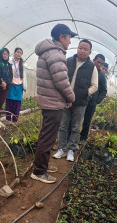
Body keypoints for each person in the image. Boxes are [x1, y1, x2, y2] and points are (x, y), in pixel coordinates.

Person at [31, 24, 76, 184]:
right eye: (69, 38)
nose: (70, 42)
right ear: (61, 37)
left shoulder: (48, 52)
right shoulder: (55, 54)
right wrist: (71, 97)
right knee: (48, 138)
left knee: (47, 136)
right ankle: (39, 171)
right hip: (52, 103)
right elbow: (61, 81)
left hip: (49, 101)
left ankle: (42, 165)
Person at [53, 39, 98, 162]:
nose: (82, 51)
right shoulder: (68, 62)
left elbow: (95, 86)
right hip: (65, 100)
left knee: (75, 127)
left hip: (80, 103)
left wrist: (84, 94)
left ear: (89, 52)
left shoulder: (91, 67)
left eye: (85, 49)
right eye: (80, 48)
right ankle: (62, 148)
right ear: (77, 48)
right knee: (62, 125)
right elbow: (61, 78)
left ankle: (72, 149)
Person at [80, 54, 107, 143]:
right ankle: (71, 136)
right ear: (93, 60)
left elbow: (104, 91)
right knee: (77, 118)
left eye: (101, 63)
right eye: (98, 62)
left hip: (92, 102)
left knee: (87, 120)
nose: (99, 64)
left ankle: (83, 138)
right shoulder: (87, 70)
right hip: (81, 99)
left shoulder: (101, 76)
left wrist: (97, 101)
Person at [5, 47, 26, 123]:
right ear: (14, 53)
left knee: (17, 104)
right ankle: (8, 120)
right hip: (11, 85)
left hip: (19, 86)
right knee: (9, 103)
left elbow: (24, 75)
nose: (19, 54)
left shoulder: (22, 64)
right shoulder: (9, 61)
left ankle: (14, 120)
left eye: (20, 53)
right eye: (17, 52)